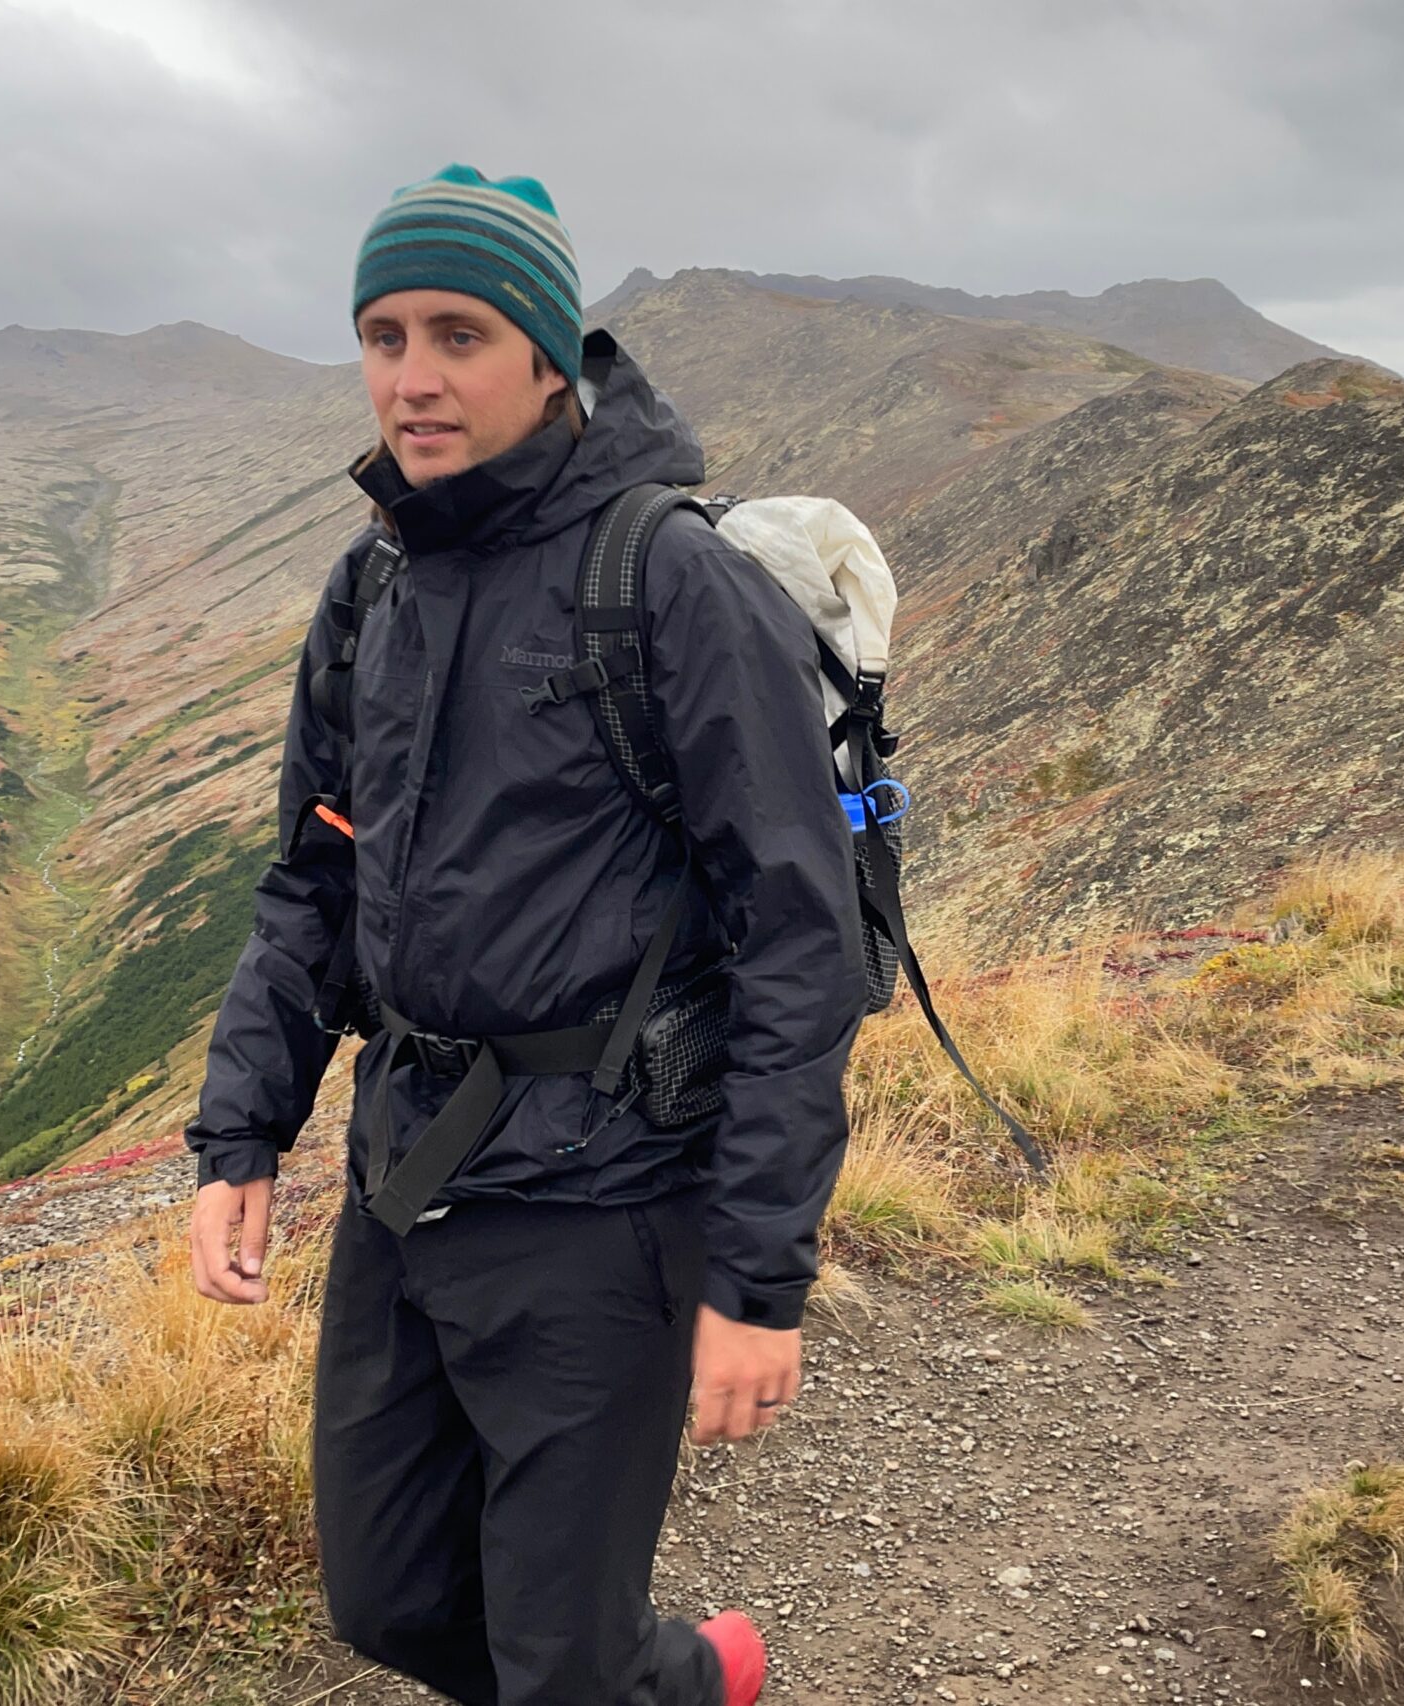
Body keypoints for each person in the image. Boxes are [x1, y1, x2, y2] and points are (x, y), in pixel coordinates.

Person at [182, 163, 862, 1706]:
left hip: (605, 1201)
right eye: (382, 333)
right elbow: (314, 884)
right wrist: (243, 1131)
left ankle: (638, 1678)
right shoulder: (372, 590)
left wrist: (758, 1278)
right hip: (406, 1176)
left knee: (550, 1661)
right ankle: (683, 1677)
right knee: (390, 1596)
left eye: (459, 333)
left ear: (550, 355)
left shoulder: (670, 584)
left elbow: (798, 945)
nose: (411, 378)